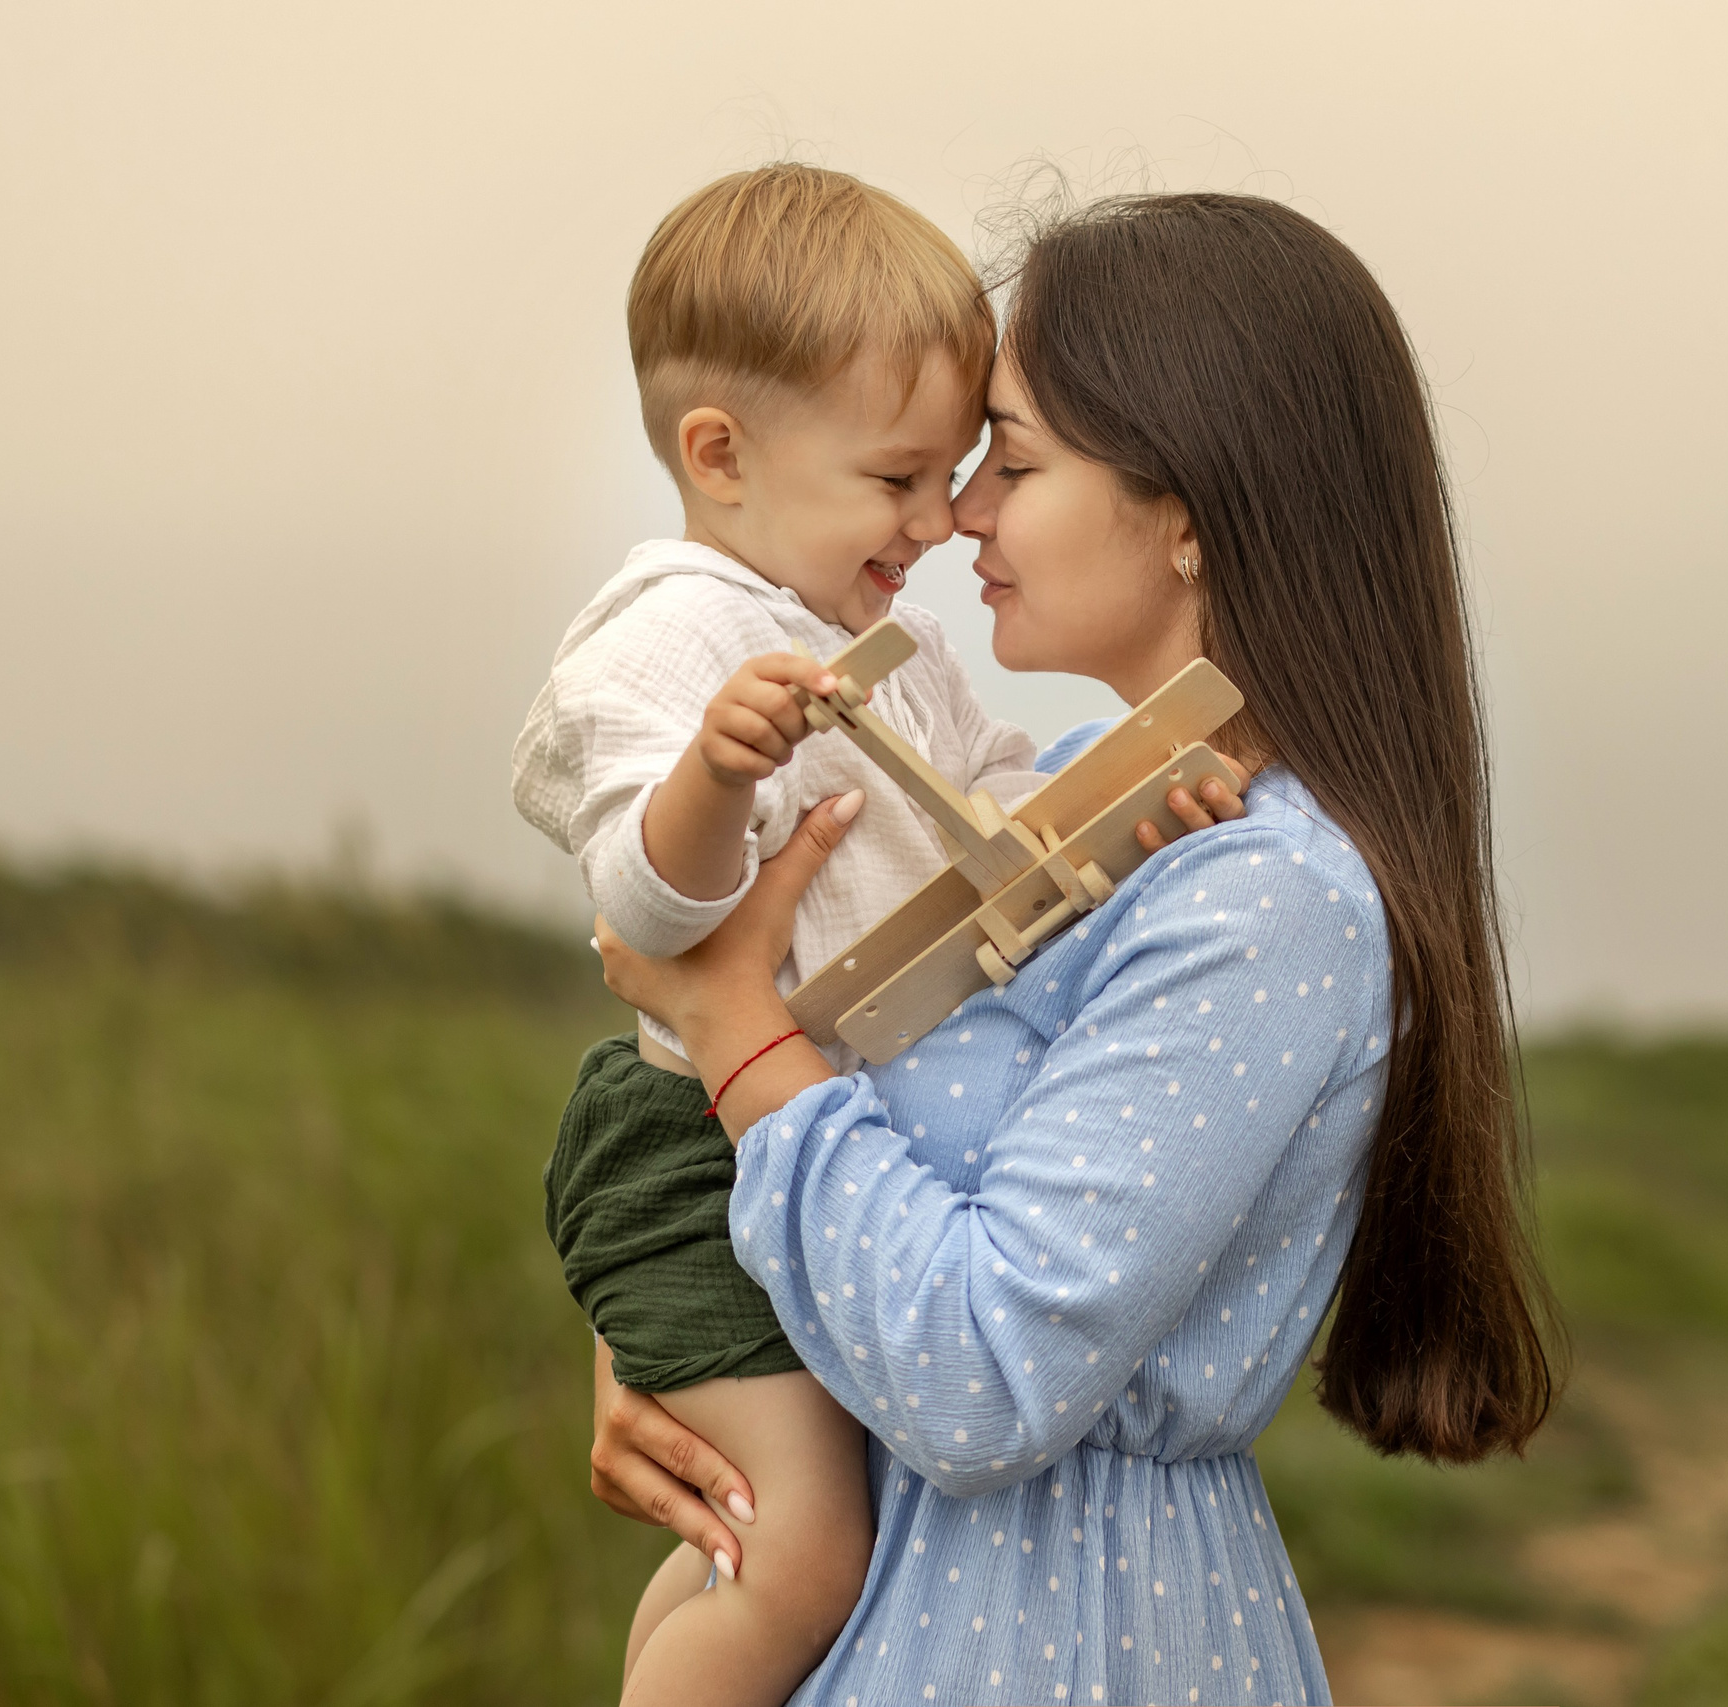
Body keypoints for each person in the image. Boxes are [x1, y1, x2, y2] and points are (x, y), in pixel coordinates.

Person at [584, 190, 1561, 1706]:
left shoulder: (1268, 897)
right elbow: (874, 1184)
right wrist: (693, 1341)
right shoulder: (1100, 824)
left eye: (1013, 461)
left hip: (1054, 1637)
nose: (959, 510)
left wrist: (732, 1033)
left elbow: (982, 1372)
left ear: (1188, 514)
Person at [512, 163, 1109, 1707]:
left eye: (958, 475)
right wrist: (717, 774)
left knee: (757, 1544)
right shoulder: (666, 642)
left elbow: (992, 791)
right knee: (804, 1555)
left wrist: (1126, 800)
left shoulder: (865, 646)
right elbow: (650, 919)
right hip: (693, 1148)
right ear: (721, 454)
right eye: (898, 479)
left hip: (797, 1117)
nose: (936, 521)